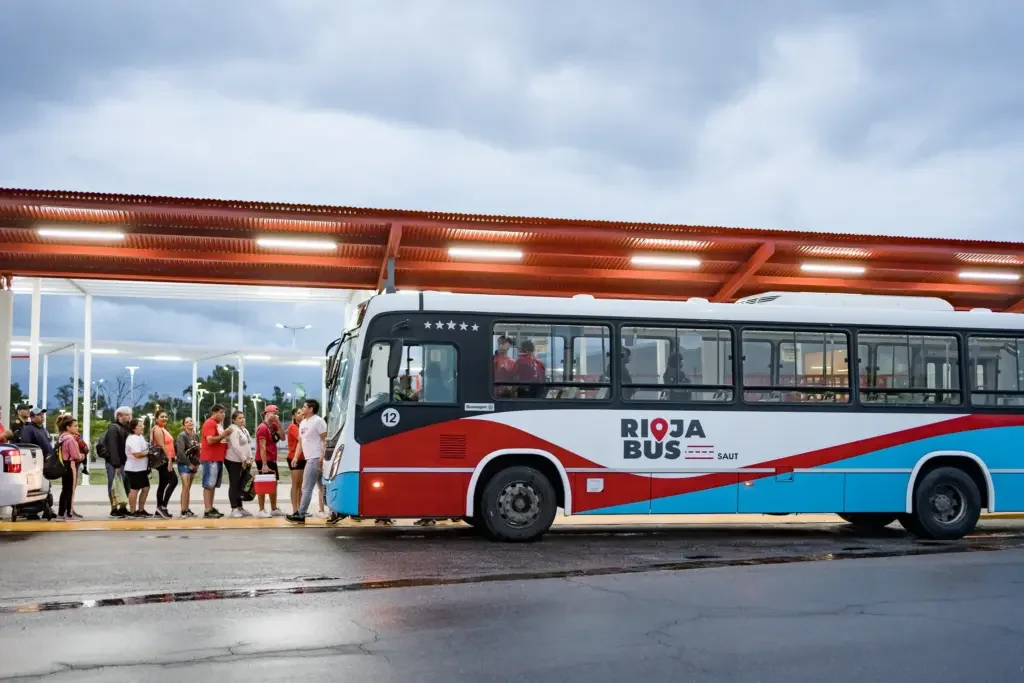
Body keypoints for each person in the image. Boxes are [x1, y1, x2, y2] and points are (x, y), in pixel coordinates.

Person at [286, 399, 327, 524]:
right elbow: (301, 443)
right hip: (310, 458)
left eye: (304, 407)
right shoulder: (303, 423)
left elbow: (324, 440)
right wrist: (296, 457)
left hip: (316, 458)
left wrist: (322, 455)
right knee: (323, 487)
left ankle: (301, 514)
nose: (302, 409)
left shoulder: (318, 421)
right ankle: (335, 512)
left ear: (310, 409)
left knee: (306, 487)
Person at [200, 404, 232, 519]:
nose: (223, 414)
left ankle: (211, 507)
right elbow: (210, 440)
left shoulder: (218, 425)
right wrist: (225, 434)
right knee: (209, 484)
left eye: (224, 412)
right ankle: (207, 509)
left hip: (217, 458)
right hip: (210, 458)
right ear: (214, 413)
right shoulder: (210, 423)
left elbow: (220, 440)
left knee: (212, 485)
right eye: (221, 412)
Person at [254, 405, 286, 518]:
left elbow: (282, 437)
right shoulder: (262, 428)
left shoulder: (273, 426)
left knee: (273, 484)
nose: (276, 415)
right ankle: (261, 509)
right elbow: (262, 447)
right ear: (267, 414)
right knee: (262, 484)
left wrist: (279, 424)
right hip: (263, 460)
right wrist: (264, 464)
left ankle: (274, 508)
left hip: (272, 459)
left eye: (277, 414)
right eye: (274, 413)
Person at [101, 407, 132, 518]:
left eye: (130, 415)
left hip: (126, 463)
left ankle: (123, 508)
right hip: (115, 463)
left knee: (125, 486)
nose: (130, 417)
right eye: (127, 415)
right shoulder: (114, 429)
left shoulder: (126, 428)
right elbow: (113, 447)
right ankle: (114, 510)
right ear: (119, 416)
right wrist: (116, 464)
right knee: (114, 486)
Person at [224, 410, 253, 518]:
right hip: (234, 460)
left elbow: (248, 445)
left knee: (241, 484)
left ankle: (240, 507)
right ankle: (234, 508)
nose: (242, 420)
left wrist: (250, 457)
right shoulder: (233, 430)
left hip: (244, 461)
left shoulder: (244, 430)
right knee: (234, 484)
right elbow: (236, 446)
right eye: (239, 418)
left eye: (243, 417)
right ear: (234, 420)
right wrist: (244, 459)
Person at [55, 414, 85, 521]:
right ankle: (69, 514)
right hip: (70, 465)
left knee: (65, 490)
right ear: (68, 427)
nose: (77, 428)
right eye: (75, 426)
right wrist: (83, 456)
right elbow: (76, 456)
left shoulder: (61, 437)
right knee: (70, 491)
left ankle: (60, 514)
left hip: (63, 464)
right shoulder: (70, 439)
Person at [150, 411, 177, 519]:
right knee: (174, 481)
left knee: (163, 484)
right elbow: (161, 445)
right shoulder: (157, 429)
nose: (164, 418)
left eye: (166, 416)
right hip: (164, 460)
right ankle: (163, 507)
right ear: (156, 418)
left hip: (167, 459)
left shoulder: (163, 428)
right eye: (162, 417)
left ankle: (159, 509)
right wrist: (169, 458)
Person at [123, 418, 151, 517]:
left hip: (141, 468)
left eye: (142, 425)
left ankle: (141, 510)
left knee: (146, 488)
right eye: (139, 425)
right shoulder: (133, 439)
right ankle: (132, 511)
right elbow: (137, 454)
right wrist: (149, 452)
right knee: (134, 489)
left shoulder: (140, 437)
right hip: (133, 469)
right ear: (134, 429)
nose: (142, 426)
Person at [175, 416, 199, 518]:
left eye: (191, 421)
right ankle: (183, 510)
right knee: (185, 487)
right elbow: (180, 453)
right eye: (187, 422)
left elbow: (197, 451)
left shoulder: (195, 436)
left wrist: (197, 464)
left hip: (193, 464)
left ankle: (186, 508)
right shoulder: (182, 436)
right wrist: (189, 464)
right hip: (184, 464)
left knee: (188, 488)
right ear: (184, 425)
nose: (189, 423)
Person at [286, 407, 303, 513]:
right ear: (294, 416)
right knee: (295, 484)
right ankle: (295, 509)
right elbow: (301, 439)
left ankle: (300, 508)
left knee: (301, 485)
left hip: (304, 458)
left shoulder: (304, 426)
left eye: (302, 413)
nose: (301, 414)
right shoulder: (293, 427)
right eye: (298, 413)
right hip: (294, 458)